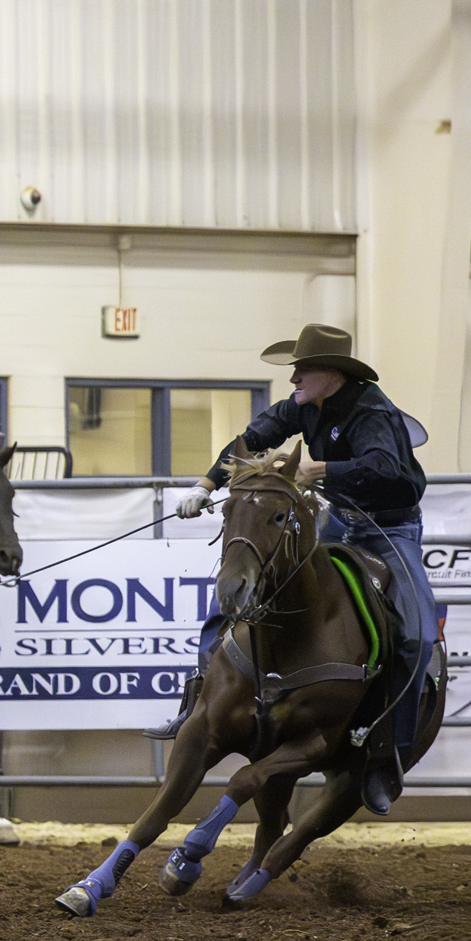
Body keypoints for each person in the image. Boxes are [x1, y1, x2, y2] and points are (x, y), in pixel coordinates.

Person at [153, 324, 434, 815]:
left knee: (417, 635)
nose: (293, 380)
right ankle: (194, 706)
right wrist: (204, 484)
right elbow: (251, 439)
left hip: (389, 532)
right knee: (248, 593)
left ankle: (387, 756)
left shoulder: (372, 410)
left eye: (302, 370)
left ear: (332, 374)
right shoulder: (304, 406)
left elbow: (387, 468)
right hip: (337, 523)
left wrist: (316, 470)